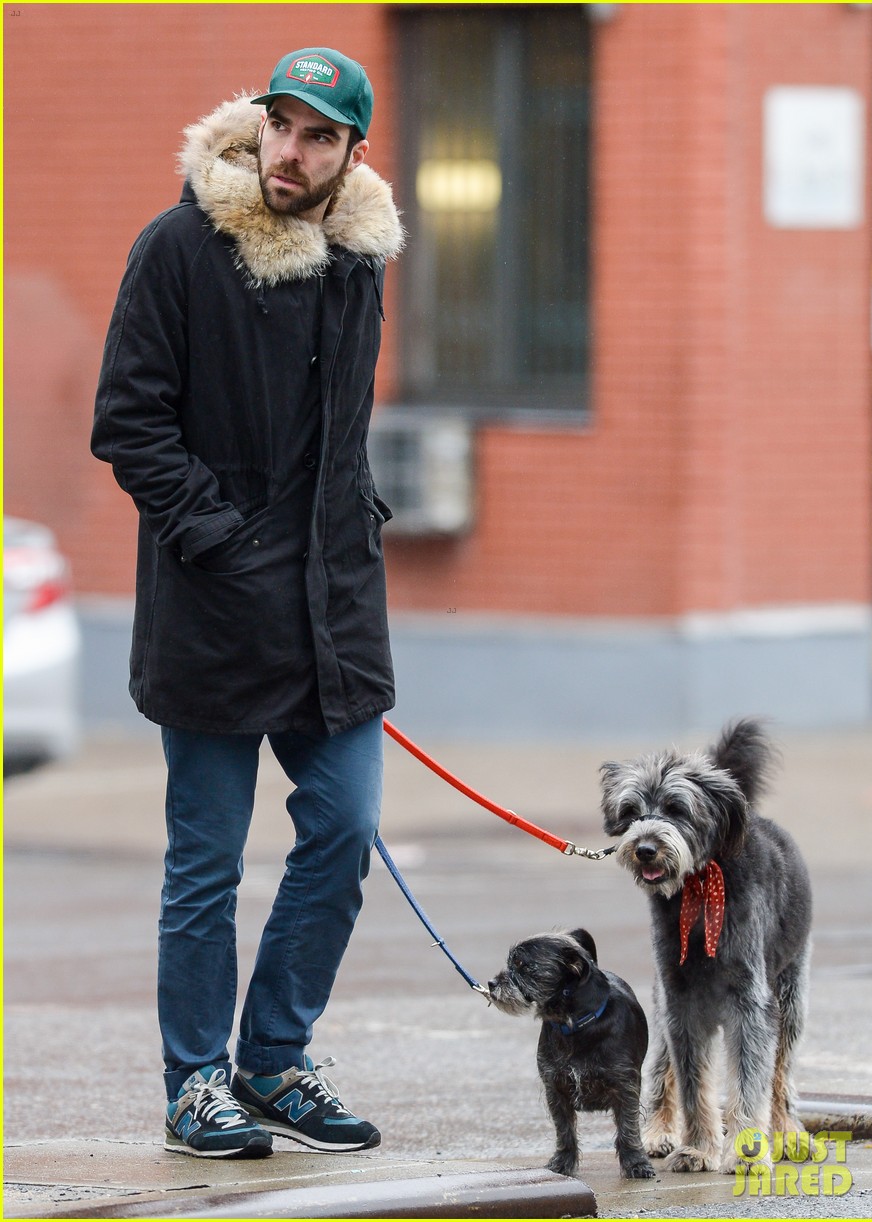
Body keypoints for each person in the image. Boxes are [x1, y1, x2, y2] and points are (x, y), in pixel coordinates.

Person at [91, 46, 404, 1159]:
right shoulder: (179, 249)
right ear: (254, 126)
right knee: (207, 862)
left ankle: (274, 1057)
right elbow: (128, 422)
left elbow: (339, 443)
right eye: (280, 124)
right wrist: (220, 541)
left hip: (334, 610)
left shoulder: (358, 261)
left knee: (347, 826)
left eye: (318, 135)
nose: (291, 149)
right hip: (214, 608)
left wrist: (355, 526)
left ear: (351, 154)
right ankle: (195, 1081)